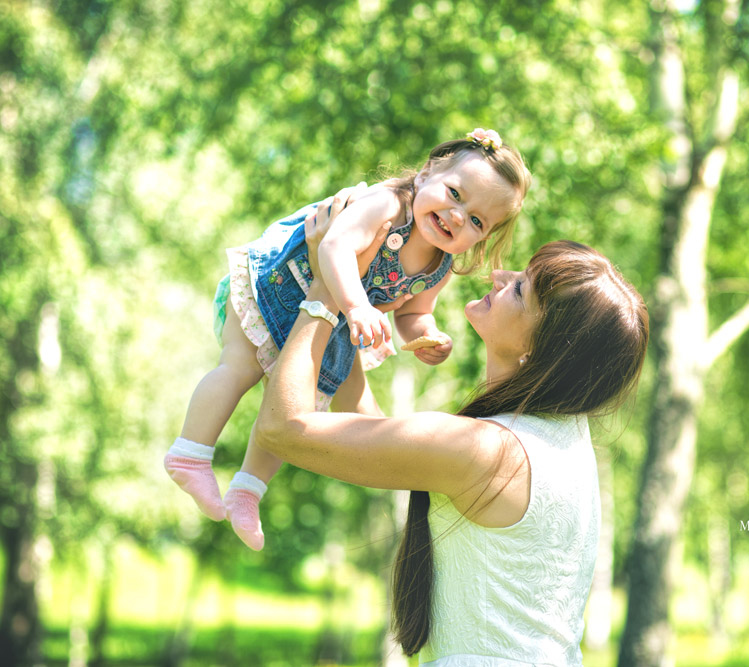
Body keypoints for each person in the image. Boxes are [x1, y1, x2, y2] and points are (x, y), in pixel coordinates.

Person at [252, 190, 649, 664]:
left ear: (538, 351)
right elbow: (374, 437)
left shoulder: (489, 452)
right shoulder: (561, 439)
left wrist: (321, 288)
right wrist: (347, 304)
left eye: (520, 289)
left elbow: (283, 430)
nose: (500, 275)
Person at [164, 129, 531, 550]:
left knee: (301, 403)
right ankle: (189, 453)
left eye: (477, 221)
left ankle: (247, 490)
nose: (457, 216)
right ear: (427, 172)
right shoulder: (389, 206)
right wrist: (357, 307)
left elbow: (414, 311)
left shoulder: (440, 265)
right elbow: (335, 246)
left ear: (483, 238)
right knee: (240, 366)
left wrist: (425, 334)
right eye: (455, 193)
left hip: (330, 319)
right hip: (282, 281)